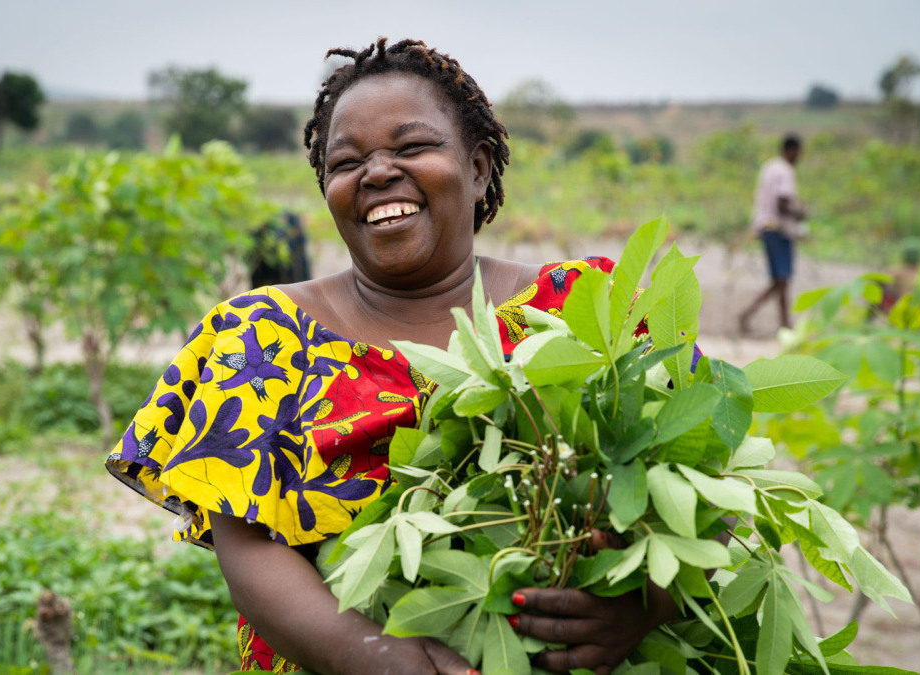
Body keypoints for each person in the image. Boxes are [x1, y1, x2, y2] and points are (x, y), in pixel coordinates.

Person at [106, 38, 678, 675]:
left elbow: (703, 493)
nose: (377, 172)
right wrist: (373, 656)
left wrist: (646, 604)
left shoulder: (582, 308)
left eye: (411, 147)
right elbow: (246, 548)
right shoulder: (264, 338)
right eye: (346, 161)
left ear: (480, 166)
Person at [738, 134, 807, 333]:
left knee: (780, 279)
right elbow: (782, 203)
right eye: (798, 152)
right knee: (782, 278)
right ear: (792, 150)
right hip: (778, 229)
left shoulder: (769, 167)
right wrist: (799, 215)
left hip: (765, 228)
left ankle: (782, 323)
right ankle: (759, 317)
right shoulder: (785, 171)